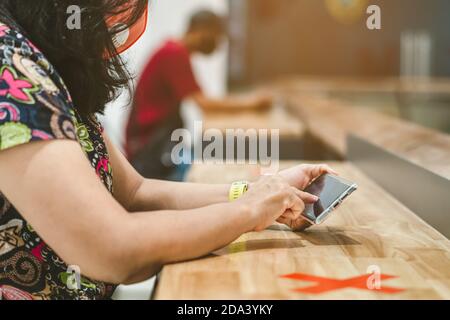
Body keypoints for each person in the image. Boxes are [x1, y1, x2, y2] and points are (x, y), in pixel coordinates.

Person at [0, 1, 337, 300]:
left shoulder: (45, 62)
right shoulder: (11, 68)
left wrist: (259, 191)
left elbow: (135, 190)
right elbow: (114, 249)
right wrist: (248, 212)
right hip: (155, 151)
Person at [126, 10, 272, 180]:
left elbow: (203, 98)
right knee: (202, 172)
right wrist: (252, 103)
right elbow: (204, 104)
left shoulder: (175, 51)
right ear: (201, 30)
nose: (217, 44)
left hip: (156, 142)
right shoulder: (174, 53)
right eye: (216, 36)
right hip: (149, 147)